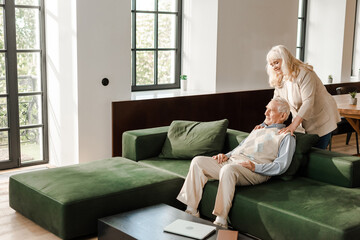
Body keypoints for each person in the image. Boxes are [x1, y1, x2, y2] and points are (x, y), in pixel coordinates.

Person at [176, 97, 296, 228]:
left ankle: (221, 220)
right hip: (234, 162)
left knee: (228, 170)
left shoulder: (286, 137)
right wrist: (226, 155)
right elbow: (241, 147)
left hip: (254, 170)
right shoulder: (258, 128)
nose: (265, 113)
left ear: (283, 115)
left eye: (270, 111)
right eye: (266, 109)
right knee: (198, 161)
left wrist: (255, 167)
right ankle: (191, 211)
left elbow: (281, 166)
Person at [266, 45, 340, 149]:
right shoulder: (280, 77)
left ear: (285, 59)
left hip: (321, 119)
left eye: (277, 62)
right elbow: (275, 103)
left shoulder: (305, 73)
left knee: (317, 154)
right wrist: (266, 124)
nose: (275, 67)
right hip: (302, 123)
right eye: (272, 64)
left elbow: (308, 102)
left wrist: (293, 126)